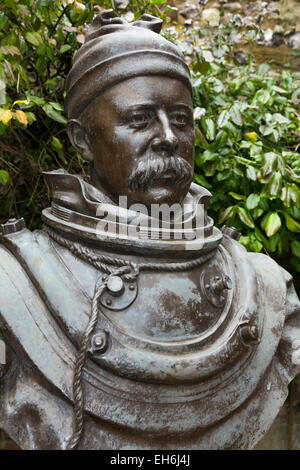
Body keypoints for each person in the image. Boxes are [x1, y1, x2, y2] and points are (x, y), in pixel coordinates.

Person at [0, 10, 299, 450]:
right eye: (140, 119)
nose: (168, 137)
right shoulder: (12, 286)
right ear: (82, 139)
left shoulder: (269, 289)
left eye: (180, 119)